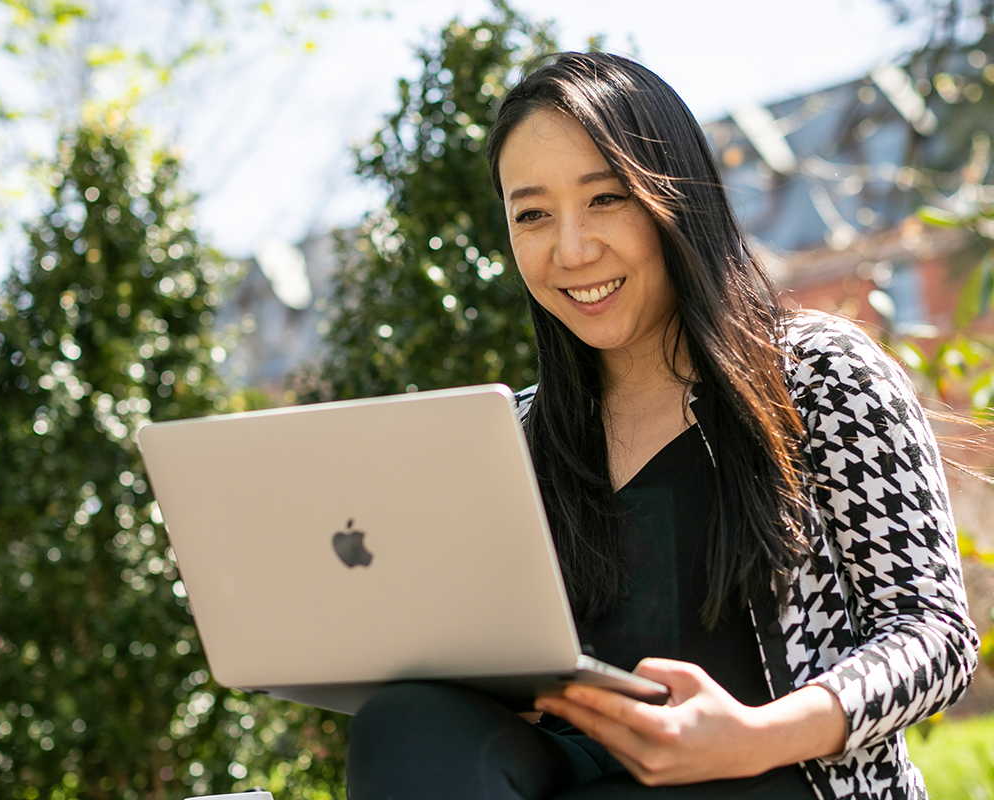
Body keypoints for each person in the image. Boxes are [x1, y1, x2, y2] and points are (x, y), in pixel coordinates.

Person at [344, 52, 980, 800]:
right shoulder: (514, 436)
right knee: (404, 722)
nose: (572, 250)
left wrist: (755, 736)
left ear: (675, 199)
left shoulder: (818, 374)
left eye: (606, 199)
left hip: (777, 777)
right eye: (533, 215)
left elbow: (932, 634)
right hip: (584, 777)